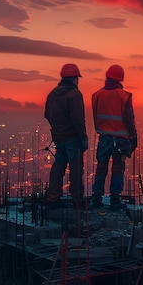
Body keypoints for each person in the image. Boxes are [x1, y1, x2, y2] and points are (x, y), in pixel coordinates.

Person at [91, 64, 137, 210]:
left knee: (101, 168)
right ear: (120, 79)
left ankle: (97, 197)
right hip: (121, 140)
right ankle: (115, 199)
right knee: (118, 168)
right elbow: (129, 118)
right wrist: (133, 136)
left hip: (104, 138)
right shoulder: (124, 96)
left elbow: (96, 116)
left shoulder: (96, 95)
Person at [44, 63, 88, 206]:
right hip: (73, 137)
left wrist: (58, 128)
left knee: (59, 165)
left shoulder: (52, 94)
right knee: (75, 168)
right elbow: (78, 120)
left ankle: (53, 196)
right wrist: (82, 137)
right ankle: (77, 198)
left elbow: (47, 115)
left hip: (59, 137)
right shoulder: (74, 95)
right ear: (75, 79)